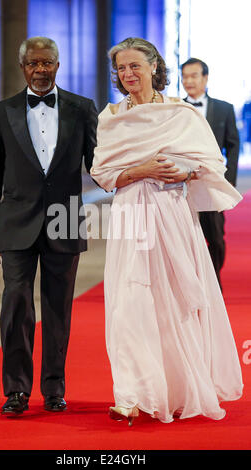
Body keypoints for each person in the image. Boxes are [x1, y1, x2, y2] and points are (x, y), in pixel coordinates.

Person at [90, 37, 243, 425]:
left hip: (173, 213)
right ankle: (130, 396)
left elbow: (210, 167)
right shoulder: (110, 117)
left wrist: (185, 171)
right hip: (130, 213)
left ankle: (176, 389)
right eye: (121, 68)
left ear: (154, 67)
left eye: (134, 66)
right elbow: (104, 175)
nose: (127, 75)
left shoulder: (182, 114)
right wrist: (143, 170)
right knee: (129, 300)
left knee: (172, 301)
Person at [0, 36, 97, 415]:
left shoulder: (82, 108)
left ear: (58, 66)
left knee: (58, 308)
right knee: (16, 304)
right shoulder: (3, 110)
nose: (40, 70)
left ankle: (54, 389)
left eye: (47, 63)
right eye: (33, 64)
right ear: (23, 67)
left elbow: (99, 165)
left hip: (65, 222)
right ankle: (15, 389)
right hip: (15, 223)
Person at [181, 58, 240, 289]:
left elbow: (233, 146)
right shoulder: (177, 107)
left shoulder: (224, 109)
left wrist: (229, 181)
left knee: (215, 238)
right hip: (184, 184)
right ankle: (192, 285)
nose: (189, 81)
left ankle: (214, 283)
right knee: (186, 238)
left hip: (212, 183)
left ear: (205, 78)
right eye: (185, 76)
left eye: (194, 76)